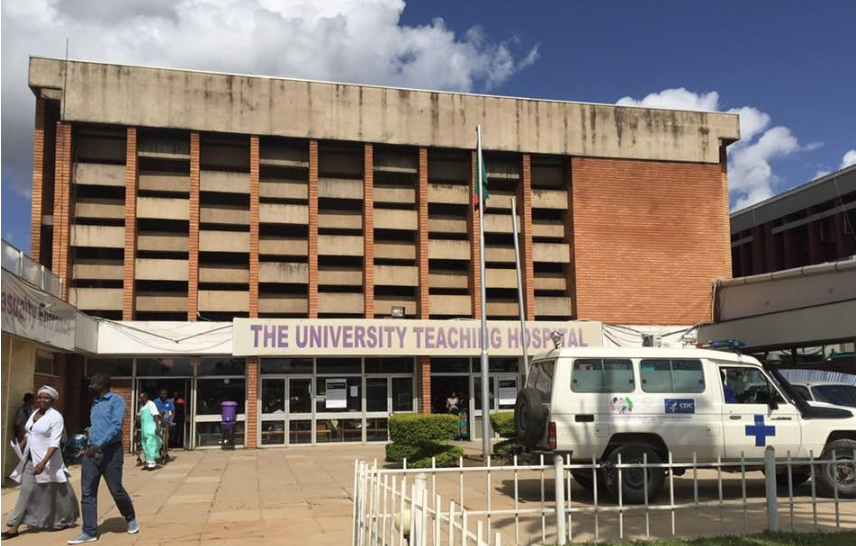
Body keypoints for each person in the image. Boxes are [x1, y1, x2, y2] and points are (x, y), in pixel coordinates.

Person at [67, 374, 139, 544]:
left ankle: (130, 517)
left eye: (92, 383)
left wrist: (98, 444)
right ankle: (89, 531)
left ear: (102, 385)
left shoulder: (116, 401)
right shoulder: (95, 402)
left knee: (116, 489)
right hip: (91, 453)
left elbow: (116, 426)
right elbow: (97, 425)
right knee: (87, 493)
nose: (90, 386)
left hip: (111, 452)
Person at [3, 386, 79, 539]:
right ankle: (14, 526)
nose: (42, 400)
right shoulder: (34, 413)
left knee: (58, 491)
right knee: (27, 491)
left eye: (46, 398)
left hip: (49, 461)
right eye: (40, 397)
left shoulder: (56, 417)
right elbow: (30, 432)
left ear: (52, 400)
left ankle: (65, 518)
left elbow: (54, 442)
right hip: (30, 459)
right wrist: (22, 444)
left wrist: (44, 463)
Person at [137, 392, 162, 470]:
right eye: (139, 397)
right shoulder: (141, 407)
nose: (140, 399)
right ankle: (147, 462)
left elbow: (156, 415)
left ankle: (152, 463)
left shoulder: (150, 404)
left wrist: (157, 427)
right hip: (144, 429)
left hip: (151, 428)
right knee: (145, 446)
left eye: (141, 397)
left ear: (145, 397)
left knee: (150, 445)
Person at [154, 389, 175, 458]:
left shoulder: (169, 402)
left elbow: (173, 413)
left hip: (166, 422)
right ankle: (159, 450)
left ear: (167, 395)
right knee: (157, 437)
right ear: (159, 394)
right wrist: (159, 413)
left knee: (165, 438)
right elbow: (153, 412)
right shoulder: (155, 401)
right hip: (157, 421)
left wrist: (170, 421)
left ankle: (166, 452)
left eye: (164, 394)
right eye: (161, 394)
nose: (163, 396)